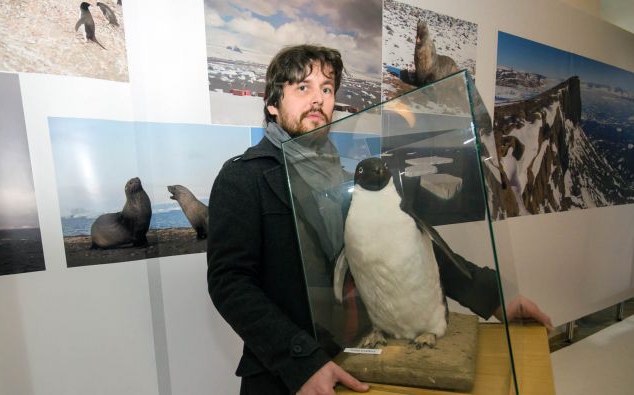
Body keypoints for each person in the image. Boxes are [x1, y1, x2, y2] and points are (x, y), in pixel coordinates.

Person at [207, 44, 551, 395]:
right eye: (302, 87)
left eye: (326, 89)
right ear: (272, 103)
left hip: (350, 361)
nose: (318, 100)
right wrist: (300, 361)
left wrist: (496, 298)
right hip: (285, 377)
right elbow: (230, 284)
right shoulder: (243, 179)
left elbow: (412, 247)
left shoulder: (343, 180)